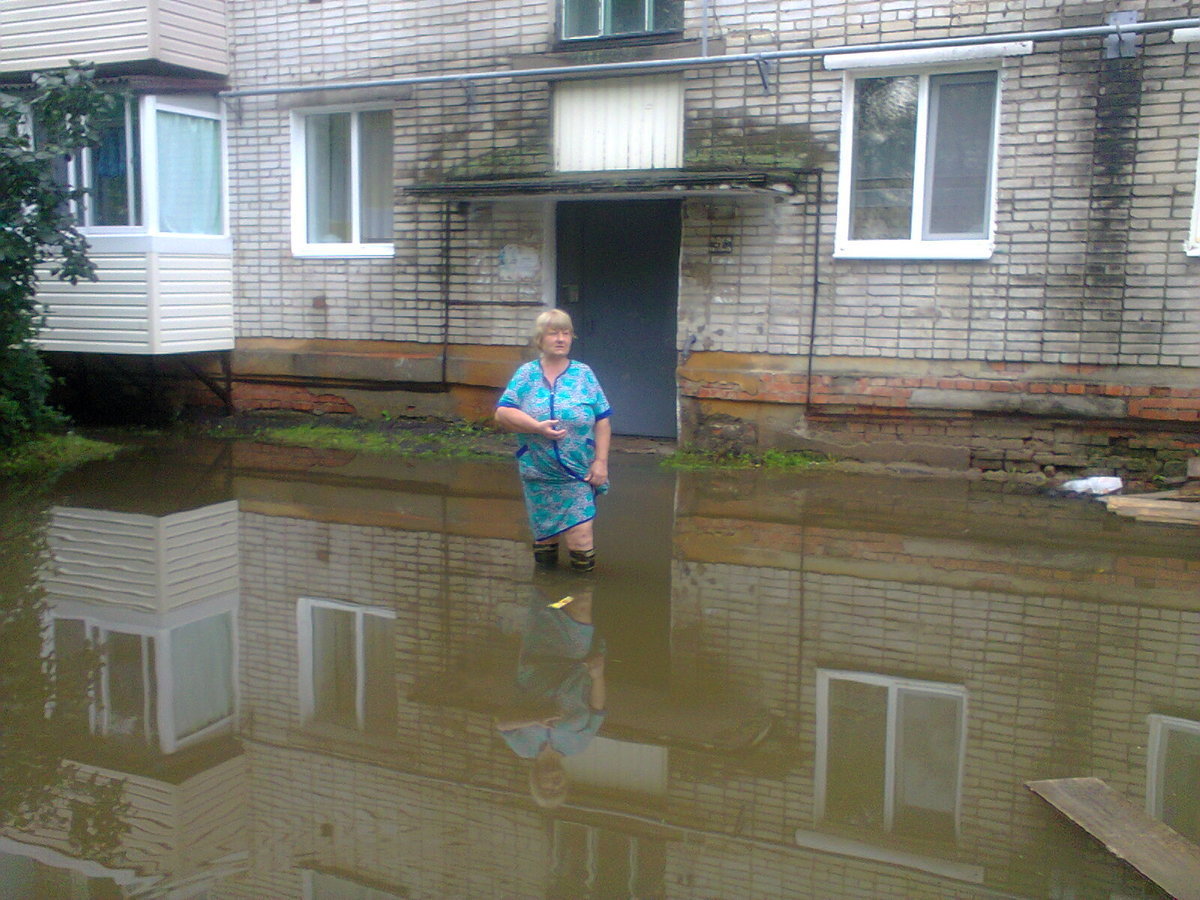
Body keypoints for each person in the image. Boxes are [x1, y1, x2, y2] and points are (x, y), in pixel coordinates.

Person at [495, 309, 611, 572]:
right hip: (538, 470)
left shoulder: (584, 374)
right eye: (553, 333)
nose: (561, 339)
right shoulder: (526, 374)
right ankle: (546, 592)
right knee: (545, 533)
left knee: (581, 534)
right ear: (540, 339)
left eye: (566, 333)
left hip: (577, 471)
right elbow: (502, 412)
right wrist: (536, 427)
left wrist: (601, 462)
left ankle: (581, 594)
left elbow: (602, 419)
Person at [494, 580, 606, 809]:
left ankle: (554, 564)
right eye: (559, 788)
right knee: (581, 604)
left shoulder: (523, 748)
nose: (554, 784)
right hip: (574, 659)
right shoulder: (577, 746)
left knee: (551, 603)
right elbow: (597, 710)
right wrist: (597, 677)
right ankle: (583, 555)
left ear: (536, 782)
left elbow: (501, 723)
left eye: (547, 788)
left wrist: (536, 718)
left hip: (540, 656)